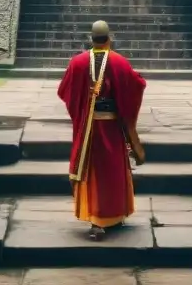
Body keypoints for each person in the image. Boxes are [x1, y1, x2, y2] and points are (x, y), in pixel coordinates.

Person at [57, 20, 146, 241]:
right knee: (112, 170)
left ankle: (94, 215)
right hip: (112, 127)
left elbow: (64, 91)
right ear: (109, 38)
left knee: (92, 170)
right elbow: (136, 86)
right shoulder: (119, 62)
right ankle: (113, 216)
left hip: (89, 128)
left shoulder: (77, 63)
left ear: (91, 39)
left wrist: (81, 107)